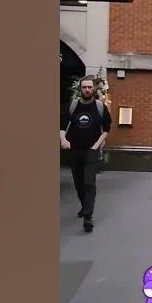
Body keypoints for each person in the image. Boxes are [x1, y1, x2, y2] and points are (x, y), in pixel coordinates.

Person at [60, 77, 110, 233]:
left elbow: (106, 130)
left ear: (94, 89)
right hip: (74, 149)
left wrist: (96, 146)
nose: (87, 90)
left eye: (89, 87)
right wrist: (63, 139)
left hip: (91, 150)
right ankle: (84, 206)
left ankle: (88, 217)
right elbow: (62, 126)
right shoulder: (73, 106)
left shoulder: (100, 107)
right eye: (84, 87)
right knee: (78, 182)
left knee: (89, 183)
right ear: (80, 89)